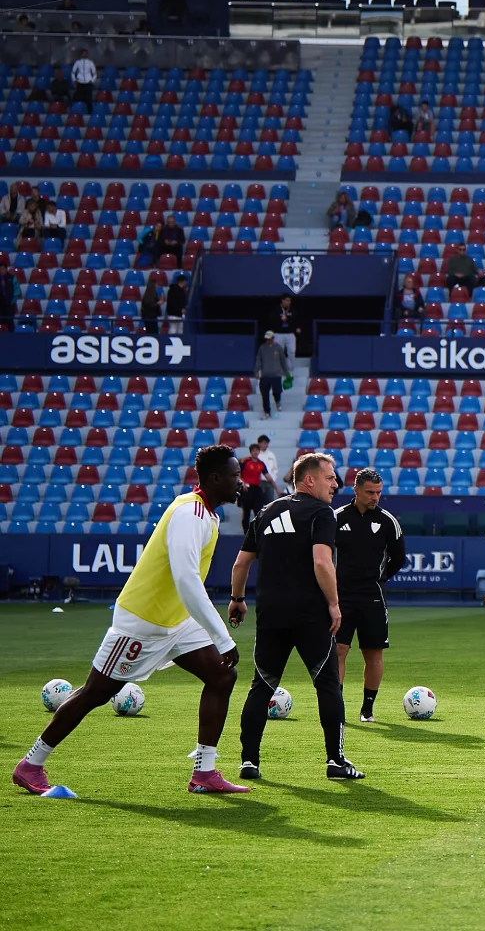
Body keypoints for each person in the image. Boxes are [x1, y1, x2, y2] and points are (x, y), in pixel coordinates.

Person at [14, 445, 245, 797]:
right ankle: (30, 764)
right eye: (235, 475)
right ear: (215, 478)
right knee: (95, 693)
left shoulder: (207, 515)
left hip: (175, 621)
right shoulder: (190, 513)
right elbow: (186, 580)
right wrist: (222, 637)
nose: (240, 482)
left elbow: (186, 585)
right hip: (143, 621)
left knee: (222, 675)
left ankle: (204, 772)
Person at [231, 453, 364, 782]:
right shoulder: (321, 513)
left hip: (271, 614)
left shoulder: (265, 511)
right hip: (310, 615)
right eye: (330, 477)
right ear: (309, 480)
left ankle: (249, 762)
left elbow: (241, 564)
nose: (336, 484)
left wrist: (237, 599)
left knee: (262, 686)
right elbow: (322, 562)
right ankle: (336, 761)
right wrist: (334, 603)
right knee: (328, 685)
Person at [332, 469, 405, 725]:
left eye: (378, 492)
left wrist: (379, 579)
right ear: (356, 490)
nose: (375, 497)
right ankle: (336, 708)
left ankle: (367, 708)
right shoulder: (336, 518)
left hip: (373, 596)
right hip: (340, 597)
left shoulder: (388, 521)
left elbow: (398, 558)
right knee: (338, 651)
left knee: (373, 654)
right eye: (370, 492)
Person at [255, 331, 286, 418]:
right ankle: (267, 411)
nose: (268, 341)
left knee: (277, 391)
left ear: (273, 338)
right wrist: (256, 371)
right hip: (265, 375)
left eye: (269, 339)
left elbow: (283, 361)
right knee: (264, 394)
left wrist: (286, 372)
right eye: (266, 339)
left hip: (276, 375)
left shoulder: (278, 348)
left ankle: (277, 401)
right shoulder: (262, 348)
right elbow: (259, 360)